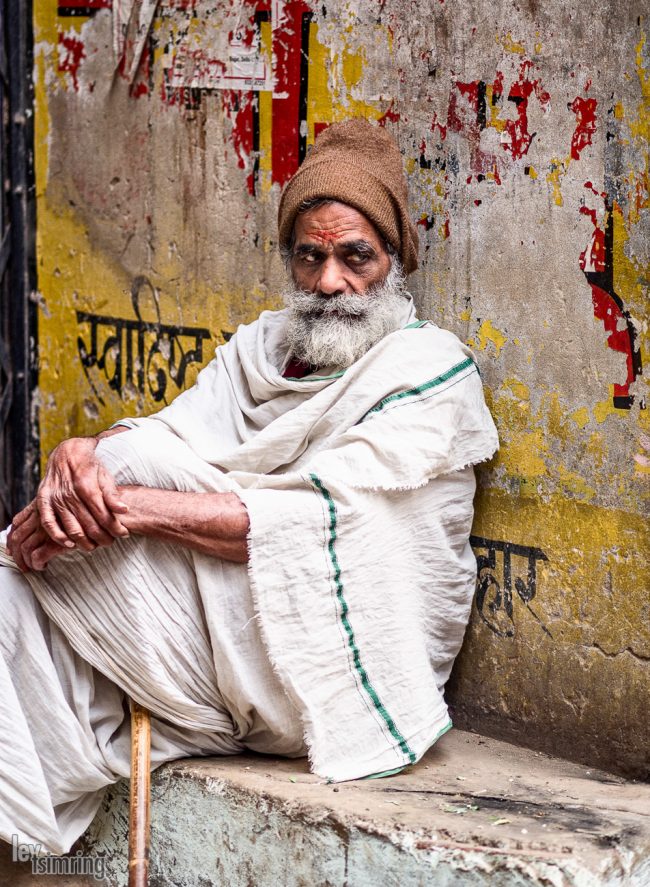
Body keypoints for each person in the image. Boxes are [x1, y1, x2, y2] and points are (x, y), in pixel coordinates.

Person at [0, 118, 498, 855]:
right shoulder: (262, 350)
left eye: (355, 256)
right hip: (222, 630)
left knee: (116, 486)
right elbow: (168, 433)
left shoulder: (427, 376)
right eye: (311, 256)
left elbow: (310, 523)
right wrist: (80, 455)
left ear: (394, 261)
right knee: (22, 573)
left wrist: (124, 505)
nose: (330, 282)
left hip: (325, 676)